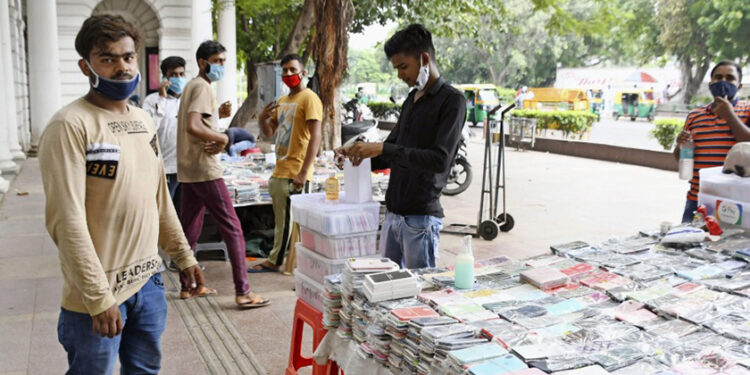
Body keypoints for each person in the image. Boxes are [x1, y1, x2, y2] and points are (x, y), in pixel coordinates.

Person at [38, 14, 205, 374]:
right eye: (108, 59)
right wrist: (99, 297)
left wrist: (184, 255)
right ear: (86, 66)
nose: (122, 67)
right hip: (97, 298)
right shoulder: (70, 125)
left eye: (128, 57)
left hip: (149, 284)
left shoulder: (143, 120)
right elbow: (66, 221)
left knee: (145, 371)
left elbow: (159, 199)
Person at [335, 24, 466, 269]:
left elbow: (439, 160)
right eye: (396, 68)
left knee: (417, 294)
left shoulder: (452, 101)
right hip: (393, 214)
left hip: (420, 218)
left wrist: (383, 149)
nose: (400, 75)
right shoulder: (410, 100)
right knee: (387, 289)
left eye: (403, 67)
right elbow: (391, 152)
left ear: (424, 58)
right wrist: (358, 154)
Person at [176, 40, 269, 308]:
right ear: (203, 62)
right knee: (233, 227)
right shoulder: (202, 86)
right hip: (205, 168)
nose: (221, 67)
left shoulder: (193, 87)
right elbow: (194, 126)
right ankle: (243, 291)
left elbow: (195, 122)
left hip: (189, 168)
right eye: (217, 61)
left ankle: (187, 286)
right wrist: (224, 138)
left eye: (223, 62)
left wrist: (217, 119)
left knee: (190, 228)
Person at [250, 53, 323, 273]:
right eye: (285, 71)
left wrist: (304, 172)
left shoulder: (310, 98)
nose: (288, 74)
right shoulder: (282, 101)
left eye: (292, 69)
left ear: (303, 73)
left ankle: (284, 264)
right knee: (282, 222)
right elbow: (270, 133)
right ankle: (279, 260)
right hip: (280, 168)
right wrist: (262, 119)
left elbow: (315, 137)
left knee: (295, 223)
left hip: (296, 171)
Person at [674, 60, 750, 223]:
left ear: (739, 85)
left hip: (736, 203)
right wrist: (680, 145)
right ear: (710, 84)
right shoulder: (695, 116)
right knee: (688, 245)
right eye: (718, 77)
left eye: (730, 78)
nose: (723, 81)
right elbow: (680, 158)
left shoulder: (747, 110)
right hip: (698, 199)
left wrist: (729, 115)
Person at [142, 56, 187, 203]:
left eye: (181, 74)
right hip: (165, 167)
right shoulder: (152, 100)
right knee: (166, 208)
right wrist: (161, 100)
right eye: (173, 75)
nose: (178, 78)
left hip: (187, 167)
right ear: (165, 77)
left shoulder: (188, 100)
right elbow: (150, 129)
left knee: (184, 210)